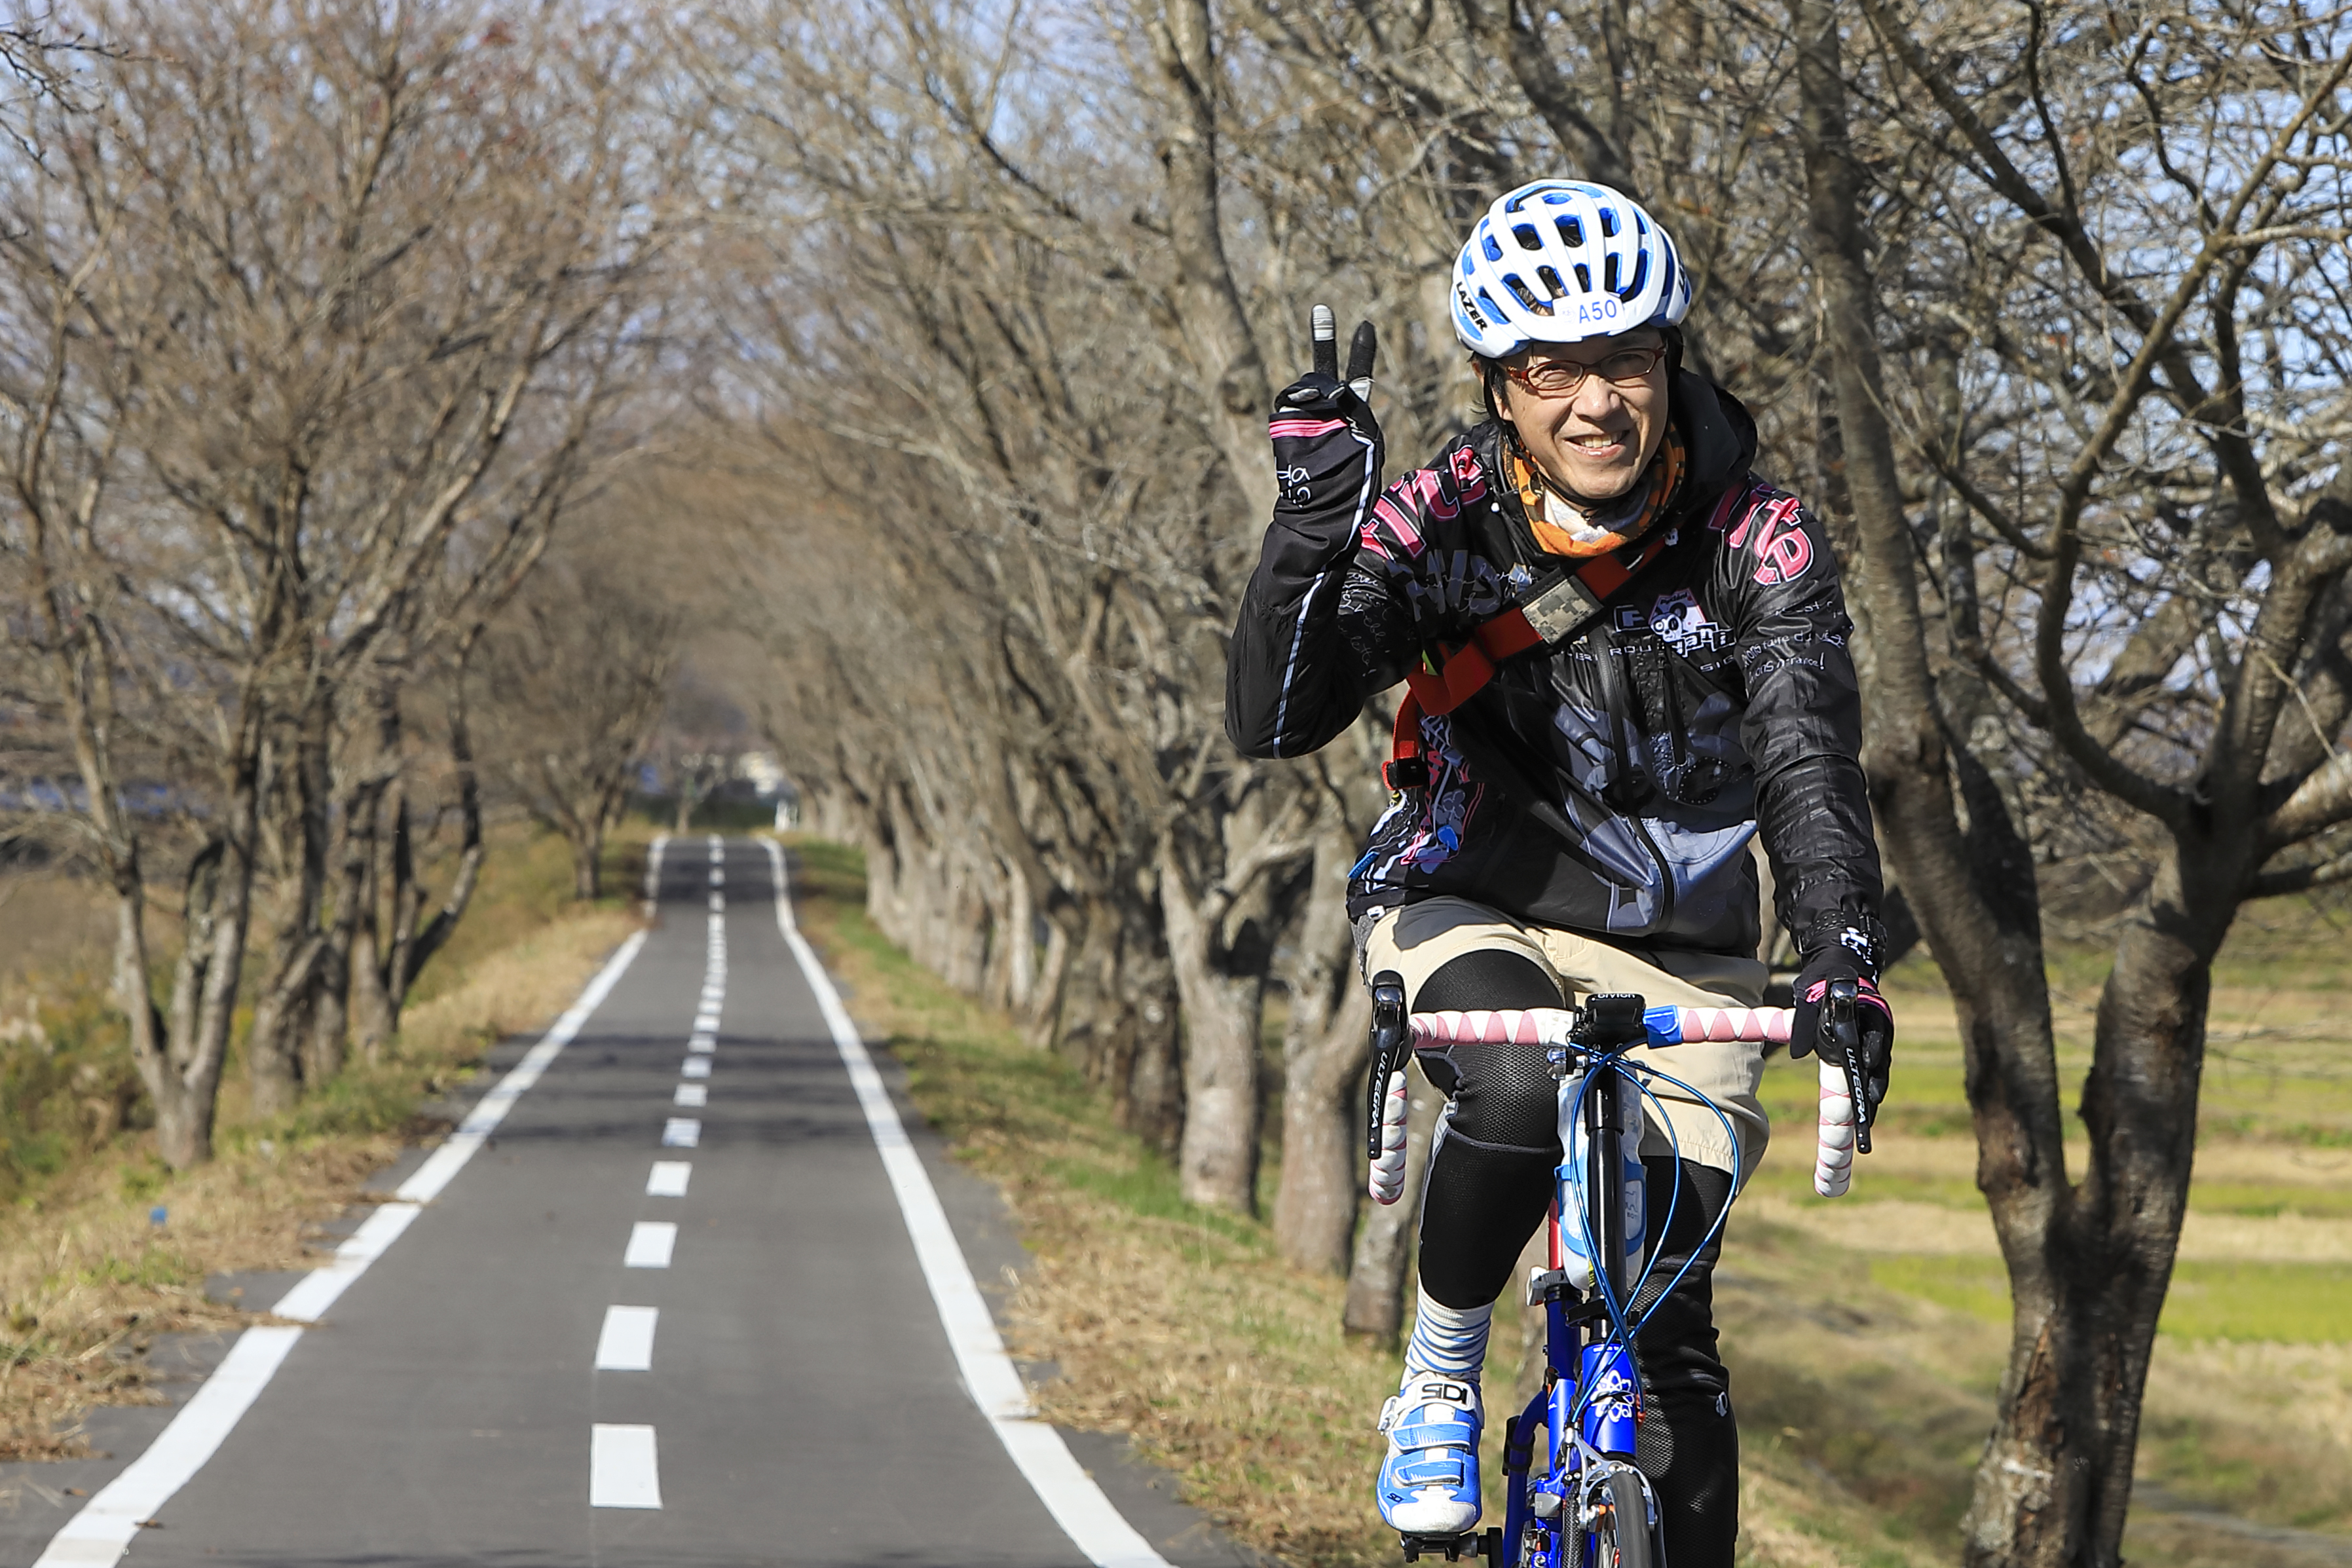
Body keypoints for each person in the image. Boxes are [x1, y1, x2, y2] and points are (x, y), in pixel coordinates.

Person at [1224, 179, 1895, 1567]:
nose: (1597, 404)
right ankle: (1438, 1378)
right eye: (1551, 371)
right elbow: (1278, 720)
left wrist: (1842, 951)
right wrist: (1308, 536)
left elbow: (1807, 762)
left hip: (1681, 947)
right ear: (1498, 387)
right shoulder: (1440, 520)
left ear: (1669, 362)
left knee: (1668, 1331)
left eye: (1626, 362)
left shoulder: (1758, 538)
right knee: (1518, 1089)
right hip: (1465, 899)